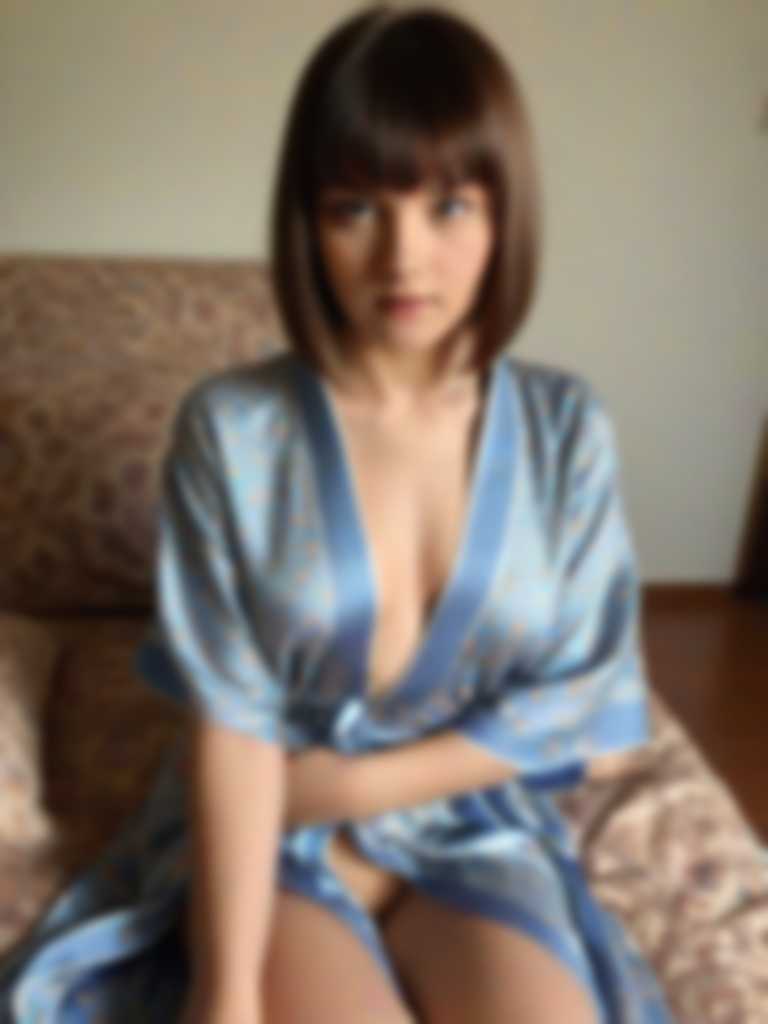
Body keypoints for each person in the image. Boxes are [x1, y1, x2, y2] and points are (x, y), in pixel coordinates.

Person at [0, 4, 677, 1022]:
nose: (404, 257)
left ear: (506, 214)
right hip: (266, 827)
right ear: (307, 222)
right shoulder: (234, 433)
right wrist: (226, 994)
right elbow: (232, 724)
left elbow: (587, 699)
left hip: (467, 823)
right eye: (356, 208)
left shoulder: (563, 428)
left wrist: (354, 788)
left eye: (449, 205)